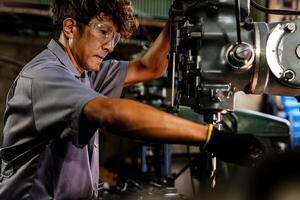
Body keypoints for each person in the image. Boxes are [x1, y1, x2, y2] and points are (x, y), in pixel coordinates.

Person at [0, 0, 265, 199]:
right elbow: (111, 113)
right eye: (103, 32)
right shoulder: (45, 77)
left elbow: (149, 67)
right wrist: (210, 137)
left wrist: (175, 16)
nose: (109, 45)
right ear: (69, 27)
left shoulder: (85, 71)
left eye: (114, 37)